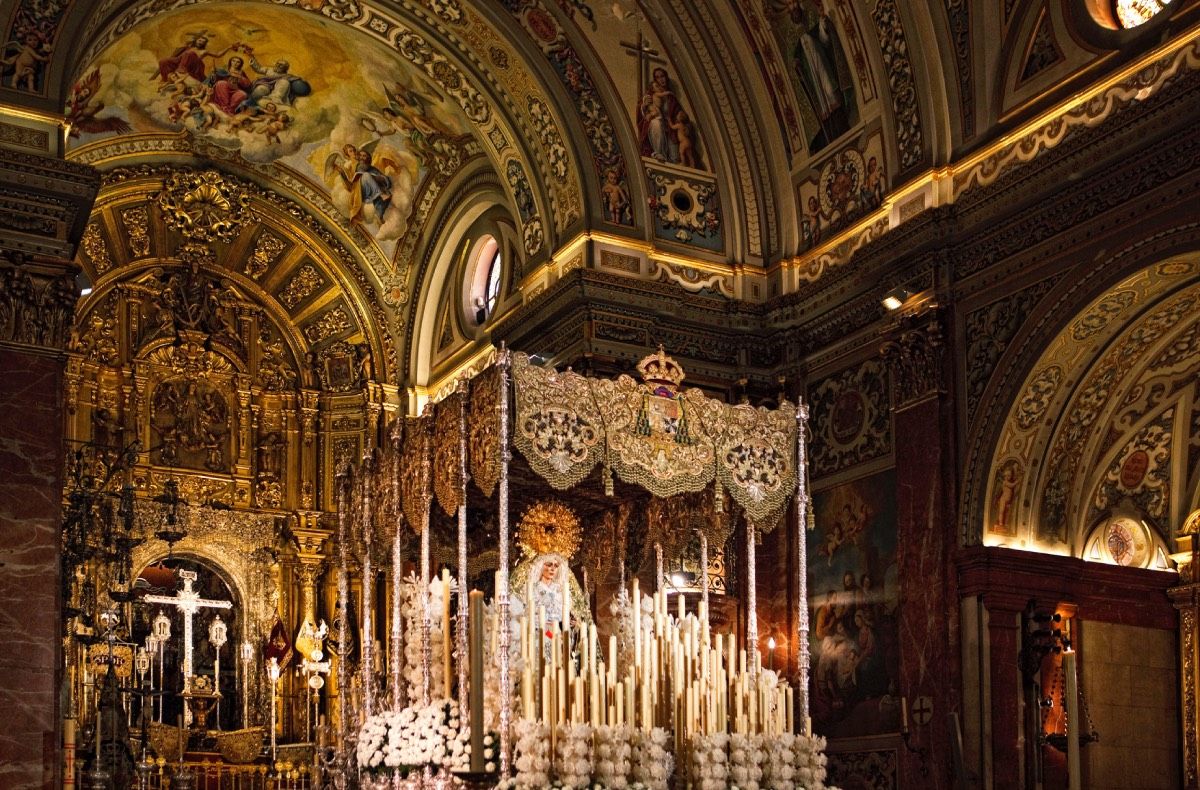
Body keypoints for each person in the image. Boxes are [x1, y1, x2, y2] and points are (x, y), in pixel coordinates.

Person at [792, 1, 853, 150]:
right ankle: (830, 135)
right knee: (822, 104)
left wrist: (822, 19)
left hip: (823, 68)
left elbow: (824, 39)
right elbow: (797, 67)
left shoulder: (813, 32)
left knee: (831, 91)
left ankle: (842, 124)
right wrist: (797, 66)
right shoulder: (798, 48)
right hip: (813, 80)